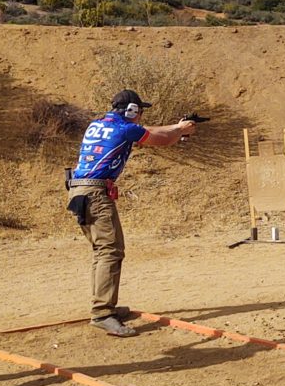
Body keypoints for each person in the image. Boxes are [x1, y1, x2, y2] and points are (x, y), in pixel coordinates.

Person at [68, 90, 197, 337]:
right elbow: (162, 139)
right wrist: (180, 131)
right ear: (131, 111)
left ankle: (105, 306)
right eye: (139, 110)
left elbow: (151, 130)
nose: (140, 114)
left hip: (80, 191)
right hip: (96, 194)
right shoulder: (125, 129)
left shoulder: (99, 125)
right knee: (110, 251)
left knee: (103, 250)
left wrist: (178, 126)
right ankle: (102, 313)